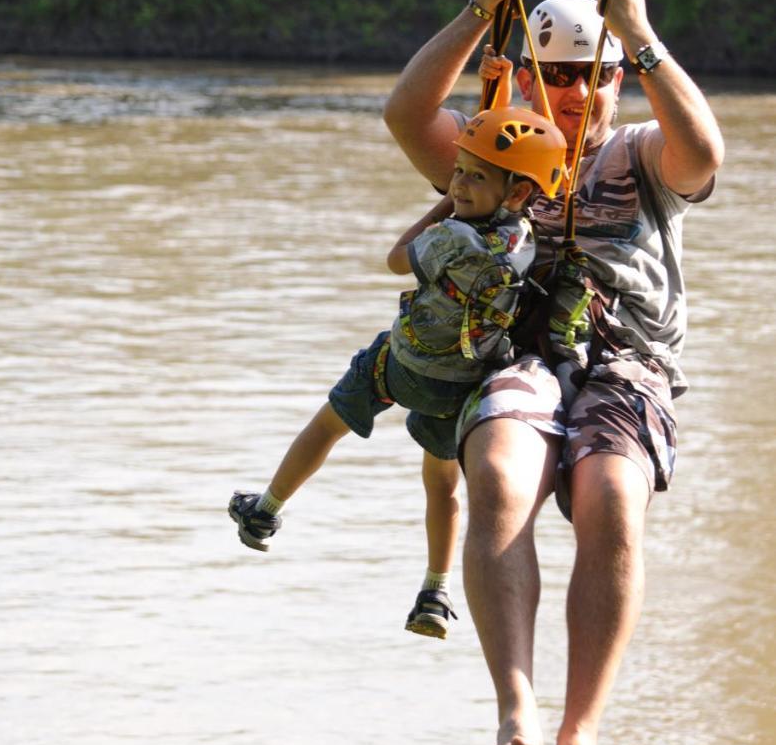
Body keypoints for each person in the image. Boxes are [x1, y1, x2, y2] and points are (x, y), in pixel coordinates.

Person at [383, 0, 724, 745]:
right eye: (558, 76)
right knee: (496, 470)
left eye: (592, 76)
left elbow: (706, 153)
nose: (575, 93)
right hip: (527, 358)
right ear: (530, 81)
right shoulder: (499, 155)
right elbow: (406, 114)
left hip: (626, 367)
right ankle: (516, 708)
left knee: (610, 496)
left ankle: (581, 733)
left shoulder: (643, 155)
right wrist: (477, 8)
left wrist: (639, 37)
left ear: (616, 81)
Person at [229, 90, 567, 640]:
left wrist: (442, 208)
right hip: (461, 385)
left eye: (474, 178)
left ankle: (266, 509)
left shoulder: (452, 237)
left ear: (518, 190)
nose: (457, 185)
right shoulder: (526, 243)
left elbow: (394, 259)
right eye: (457, 172)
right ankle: (434, 590)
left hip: (401, 362)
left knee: (328, 424)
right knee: (441, 484)